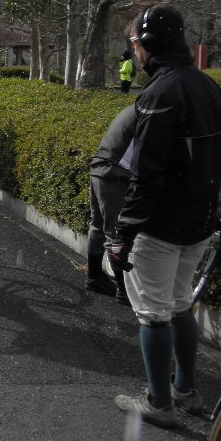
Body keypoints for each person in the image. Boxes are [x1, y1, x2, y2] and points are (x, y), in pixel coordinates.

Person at [110, 4, 221, 429]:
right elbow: (216, 163)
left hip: (161, 224)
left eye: (134, 42)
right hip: (200, 221)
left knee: (154, 313)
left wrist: (123, 233)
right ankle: (186, 390)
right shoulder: (206, 85)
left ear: (147, 43)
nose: (134, 51)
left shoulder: (160, 93)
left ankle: (159, 403)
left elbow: (147, 173)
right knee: (181, 305)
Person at [86, 105, 137, 304]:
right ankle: (124, 291)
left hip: (100, 168)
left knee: (98, 226)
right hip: (115, 173)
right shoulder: (149, 113)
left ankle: (94, 276)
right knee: (115, 234)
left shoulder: (133, 109)